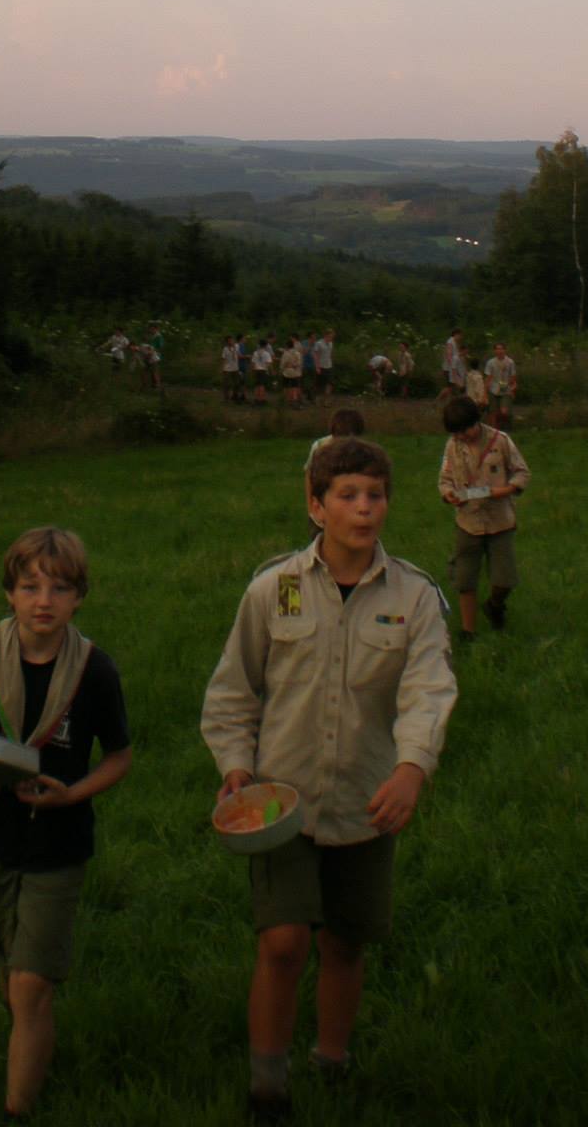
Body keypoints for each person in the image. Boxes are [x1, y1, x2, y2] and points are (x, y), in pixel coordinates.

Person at [202, 435, 457, 1119]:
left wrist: (411, 768)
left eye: (375, 496)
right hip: (280, 805)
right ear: (315, 506)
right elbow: (233, 694)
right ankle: (267, 1084)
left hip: (368, 803)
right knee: (283, 943)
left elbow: (428, 690)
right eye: (347, 496)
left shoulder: (416, 596)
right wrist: (235, 765)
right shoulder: (274, 589)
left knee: (345, 941)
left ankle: (334, 1061)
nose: (364, 509)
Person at [0, 527, 132, 1119]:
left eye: (59, 588)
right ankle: (34, 1047)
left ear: (79, 597)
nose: (44, 601)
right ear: (8, 592)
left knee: (31, 985)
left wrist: (74, 794)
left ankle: (17, 1109)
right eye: (30, 586)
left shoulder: (94, 671)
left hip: (59, 843)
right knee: (15, 983)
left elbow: (119, 756)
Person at [437, 396, 532, 642]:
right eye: (457, 432)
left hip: (500, 521)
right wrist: (449, 495)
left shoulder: (500, 441)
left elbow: (522, 472)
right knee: (465, 579)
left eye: (466, 429)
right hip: (467, 522)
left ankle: (494, 604)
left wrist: (507, 490)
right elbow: (445, 479)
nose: (463, 436)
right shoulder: (452, 446)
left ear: (476, 421)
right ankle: (469, 631)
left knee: (505, 580)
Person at [302, 407, 367, 516]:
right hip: (323, 505)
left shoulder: (362, 451)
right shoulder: (320, 447)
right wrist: (311, 507)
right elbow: (310, 476)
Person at [484, 341, 518, 426]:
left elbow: (513, 376)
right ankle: (495, 429)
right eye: (497, 349)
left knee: (504, 411)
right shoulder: (490, 362)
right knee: (493, 412)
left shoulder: (510, 362)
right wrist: (485, 392)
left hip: (505, 388)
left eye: (501, 349)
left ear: (505, 350)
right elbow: (488, 377)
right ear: (494, 351)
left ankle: (504, 423)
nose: (499, 351)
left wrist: (513, 389)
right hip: (493, 388)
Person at [280, 336, 305, 407]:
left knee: (286, 387)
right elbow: (299, 363)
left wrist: (281, 369)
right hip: (295, 372)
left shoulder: (285, 353)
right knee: (295, 387)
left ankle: (286, 400)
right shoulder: (297, 353)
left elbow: (282, 364)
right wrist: (294, 366)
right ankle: (294, 400)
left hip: (287, 372)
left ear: (287, 346)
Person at [313, 328, 335, 403]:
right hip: (321, 366)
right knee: (319, 384)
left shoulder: (331, 343)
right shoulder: (318, 343)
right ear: (326, 335)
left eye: (332, 336)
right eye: (331, 336)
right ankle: (317, 398)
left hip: (329, 366)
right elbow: (316, 356)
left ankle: (326, 399)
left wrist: (331, 361)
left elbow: (330, 354)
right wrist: (317, 367)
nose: (331, 338)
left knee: (329, 383)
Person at [251, 336, 276, 403]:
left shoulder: (255, 353)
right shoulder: (266, 353)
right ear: (265, 345)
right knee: (262, 385)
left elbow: (253, 363)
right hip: (263, 370)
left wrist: (252, 370)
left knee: (257, 385)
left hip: (256, 370)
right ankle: (261, 399)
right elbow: (269, 363)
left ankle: (256, 398)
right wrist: (272, 371)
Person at [223, 334, 243, 400]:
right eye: (229, 341)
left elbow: (239, 355)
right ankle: (226, 397)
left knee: (237, 383)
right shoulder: (225, 349)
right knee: (227, 384)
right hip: (227, 369)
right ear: (227, 342)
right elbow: (224, 359)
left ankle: (235, 396)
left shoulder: (237, 346)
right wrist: (223, 368)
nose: (231, 341)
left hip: (235, 368)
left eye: (232, 340)